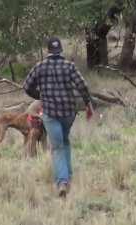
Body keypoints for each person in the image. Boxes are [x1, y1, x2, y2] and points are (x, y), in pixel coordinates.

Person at [23, 37, 94, 197]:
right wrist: (88, 104)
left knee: (57, 147)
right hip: (69, 113)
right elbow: (82, 85)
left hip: (50, 113)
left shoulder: (40, 67)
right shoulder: (69, 66)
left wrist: (40, 96)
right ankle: (68, 175)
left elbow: (26, 86)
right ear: (60, 50)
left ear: (48, 51)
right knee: (65, 140)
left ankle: (62, 182)